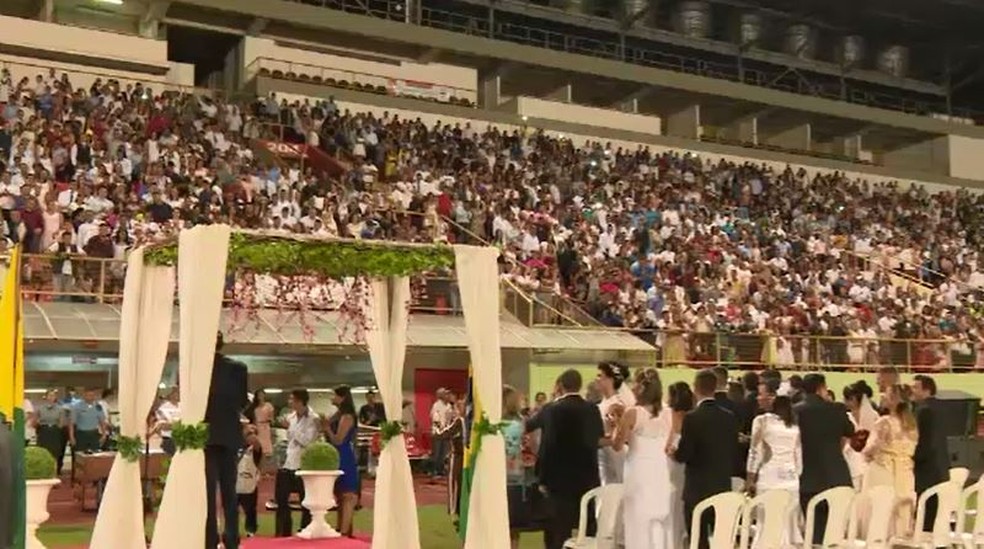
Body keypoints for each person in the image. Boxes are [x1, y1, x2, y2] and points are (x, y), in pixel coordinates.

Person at [526, 369, 604, 549]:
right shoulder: (592, 409)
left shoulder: (550, 409)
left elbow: (528, 426)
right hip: (586, 478)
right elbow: (596, 440)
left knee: (557, 530)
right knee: (588, 526)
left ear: (560, 386)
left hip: (556, 479)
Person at [674, 369, 739, 549]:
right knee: (721, 538)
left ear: (696, 389)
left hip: (697, 489)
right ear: (715, 388)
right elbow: (733, 450)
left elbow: (685, 454)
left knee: (698, 539)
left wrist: (675, 453)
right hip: (722, 486)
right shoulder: (729, 417)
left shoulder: (692, 418)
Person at [612, 368, 673, 549]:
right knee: (659, 516)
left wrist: (616, 423)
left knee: (637, 516)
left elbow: (617, 445)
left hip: (638, 469)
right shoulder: (669, 413)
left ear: (639, 387)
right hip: (660, 469)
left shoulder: (633, 413)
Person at [795, 373, 854, 545]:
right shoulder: (837, 409)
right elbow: (849, 432)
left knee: (814, 531)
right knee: (835, 532)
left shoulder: (796, 411)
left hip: (808, 478)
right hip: (837, 476)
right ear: (822, 388)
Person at [204, 333, 249, 549]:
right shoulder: (238, 368)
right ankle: (231, 538)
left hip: (206, 436)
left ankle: (210, 539)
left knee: (208, 493)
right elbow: (242, 401)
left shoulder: (196, 368)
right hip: (229, 434)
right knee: (229, 491)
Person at [746, 395, 802, 546]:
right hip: (791, 482)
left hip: (769, 479)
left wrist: (750, 479)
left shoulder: (762, 421)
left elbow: (754, 452)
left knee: (766, 523)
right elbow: (798, 459)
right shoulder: (794, 427)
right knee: (786, 523)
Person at [863, 384, 918, 537]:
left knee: (880, 508)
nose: (882, 396)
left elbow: (871, 447)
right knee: (903, 509)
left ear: (893, 400)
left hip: (884, 471)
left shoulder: (884, 422)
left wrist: (866, 454)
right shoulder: (912, 424)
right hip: (906, 472)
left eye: (886, 394)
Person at [274, 389, 320, 537]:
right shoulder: (291, 417)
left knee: (305, 502)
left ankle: (305, 532)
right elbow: (290, 439)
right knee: (281, 500)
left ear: (300, 401)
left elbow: (307, 441)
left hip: (303, 465)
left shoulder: (314, 419)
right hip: (288, 463)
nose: (289, 402)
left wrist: (291, 429)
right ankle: (284, 532)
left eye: (292, 399)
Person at [911, 375, 949, 531]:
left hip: (926, 470)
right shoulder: (942, 408)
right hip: (941, 468)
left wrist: (911, 458)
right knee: (937, 516)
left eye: (915, 387)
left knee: (925, 517)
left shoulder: (923, 410)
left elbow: (923, 441)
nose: (912, 391)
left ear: (927, 390)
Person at [324, 385, 360, 537]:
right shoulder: (337, 415)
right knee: (340, 494)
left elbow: (338, 440)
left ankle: (345, 531)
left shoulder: (347, 416)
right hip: (335, 455)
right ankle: (342, 528)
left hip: (343, 455)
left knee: (347, 494)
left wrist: (326, 428)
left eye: (334, 395)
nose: (332, 398)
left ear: (342, 397)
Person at [502, 385, 534, 548]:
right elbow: (531, 447)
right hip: (517, 475)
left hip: (499, 476)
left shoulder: (495, 424)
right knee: (514, 525)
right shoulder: (522, 422)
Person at [665, 382, 693, 548]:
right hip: (685, 467)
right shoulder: (692, 415)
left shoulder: (671, 414)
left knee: (672, 504)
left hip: (674, 461)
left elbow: (669, 441)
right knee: (680, 505)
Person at [596, 360, 634, 485]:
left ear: (610, 380)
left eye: (600, 376)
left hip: (614, 452)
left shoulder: (616, 405)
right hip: (603, 453)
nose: (597, 379)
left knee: (616, 485)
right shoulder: (602, 403)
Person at [236, 425, 263, 538]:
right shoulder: (236, 447)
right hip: (234, 484)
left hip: (249, 486)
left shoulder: (255, 450)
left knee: (250, 511)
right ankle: (232, 531)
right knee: (232, 510)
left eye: (253, 434)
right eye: (248, 434)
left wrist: (251, 433)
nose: (251, 436)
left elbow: (257, 445)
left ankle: (251, 531)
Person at [34, 389, 67, 474]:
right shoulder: (40, 408)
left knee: (54, 455)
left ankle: (54, 475)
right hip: (43, 432)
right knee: (42, 454)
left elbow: (62, 423)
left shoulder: (60, 409)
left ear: (55, 397)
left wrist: (56, 426)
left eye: (53, 395)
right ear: (46, 397)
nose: (51, 397)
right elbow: (35, 422)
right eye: (49, 395)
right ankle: (43, 474)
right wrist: (38, 423)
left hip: (55, 432)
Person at [68, 387, 107, 454]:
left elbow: (102, 421)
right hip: (81, 435)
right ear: (84, 396)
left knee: (95, 455)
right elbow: (71, 423)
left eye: (92, 395)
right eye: (88, 395)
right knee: (80, 456)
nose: (90, 397)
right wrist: (71, 437)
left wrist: (104, 434)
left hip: (94, 434)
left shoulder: (98, 406)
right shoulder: (77, 406)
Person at [244, 389, 275, 461]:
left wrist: (270, 421)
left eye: (262, 395)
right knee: (258, 442)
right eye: (259, 395)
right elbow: (253, 418)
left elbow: (272, 418)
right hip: (258, 426)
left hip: (265, 426)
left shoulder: (268, 406)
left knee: (266, 443)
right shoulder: (254, 408)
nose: (260, 397)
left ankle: (267, 457)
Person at [429, 388, 453, 477]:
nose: (448, 396)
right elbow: (435, 418)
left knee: (444, 452)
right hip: (438, 432)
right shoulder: (436, 405)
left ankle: (441, 469)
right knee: (437, 452)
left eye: (448, 394)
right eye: (446, 394)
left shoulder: (449, 406)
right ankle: (434, 470)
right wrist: (440, 427)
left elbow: (451, 418)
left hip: (447, 432)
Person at [155, 387, 180, 456]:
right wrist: (176, 426)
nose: (178, 394)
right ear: (171, 394)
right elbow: (162, 426)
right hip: (169, 440)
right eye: (176, 392)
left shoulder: (183, 406)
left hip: (182, 439)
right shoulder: (163, 408)